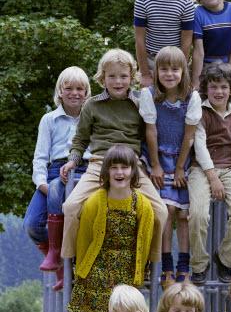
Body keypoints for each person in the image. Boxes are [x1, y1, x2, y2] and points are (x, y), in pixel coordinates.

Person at [60, 48, 167, 264]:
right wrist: (73, 160)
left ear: (132, 77)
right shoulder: (92, 105)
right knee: (70, 207)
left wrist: (154, 165)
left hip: (131, 165)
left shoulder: (139, 103)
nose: (118, 81)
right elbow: (80, 139)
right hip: (100, 163)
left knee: (160, 211)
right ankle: (71, 259)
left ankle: (148, 261)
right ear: (102, 78)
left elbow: (150, 136)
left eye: (123, 76)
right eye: (112, 76)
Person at [68, 145, 156, 312]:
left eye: (124, 167)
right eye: (114, 167)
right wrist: (82, 269)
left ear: (133, 171)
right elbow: (85, 236)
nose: (119, 172)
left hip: (127, 266)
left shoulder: (142, 204)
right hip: (99, 265)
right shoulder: (96, 200)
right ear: (106, 171)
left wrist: (141, 270)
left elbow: (145, 240)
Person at [139, 45, 202, 287]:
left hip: (182, 158)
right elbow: (150, 131)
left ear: (183, 71)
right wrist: (155, 165)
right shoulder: (150, 94)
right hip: (158, 156)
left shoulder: (191, 97)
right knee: (166, 212)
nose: (169, 74)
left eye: (175, 69)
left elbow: (189, 135)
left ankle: (183, 267)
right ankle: (166, 267)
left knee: (184, 214)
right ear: (156, 72)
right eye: (163, 69)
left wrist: (179, 168)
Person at [23, 66, 91, 291]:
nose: (74, 93)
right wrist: (42, 184)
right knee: (32, 224)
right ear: (60, 91)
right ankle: (58, 261)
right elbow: (40, 158)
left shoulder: (92, 118)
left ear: (87, 92)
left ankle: (74, 265)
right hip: (54, 173)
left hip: (83, 171)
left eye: (80, 88)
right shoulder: (49, 120)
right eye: (68, 88)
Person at [187, 62, 231, 285]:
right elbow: (200, 147)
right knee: (198, 214)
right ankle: (199, 264)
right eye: (213, 86)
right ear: (206, 88)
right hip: (202, 169)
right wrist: (213, 178)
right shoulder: (200, 112)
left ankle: (225, 258)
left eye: (223, 87)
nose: (219, 92)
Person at [134, 0, 195, 86]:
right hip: (150, 59)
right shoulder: (142, 1)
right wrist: (144, 73)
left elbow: (186, 43)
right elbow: (139, 39)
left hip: (175, 61)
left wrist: (182, 70)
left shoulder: (186, 4)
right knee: (148, 98)